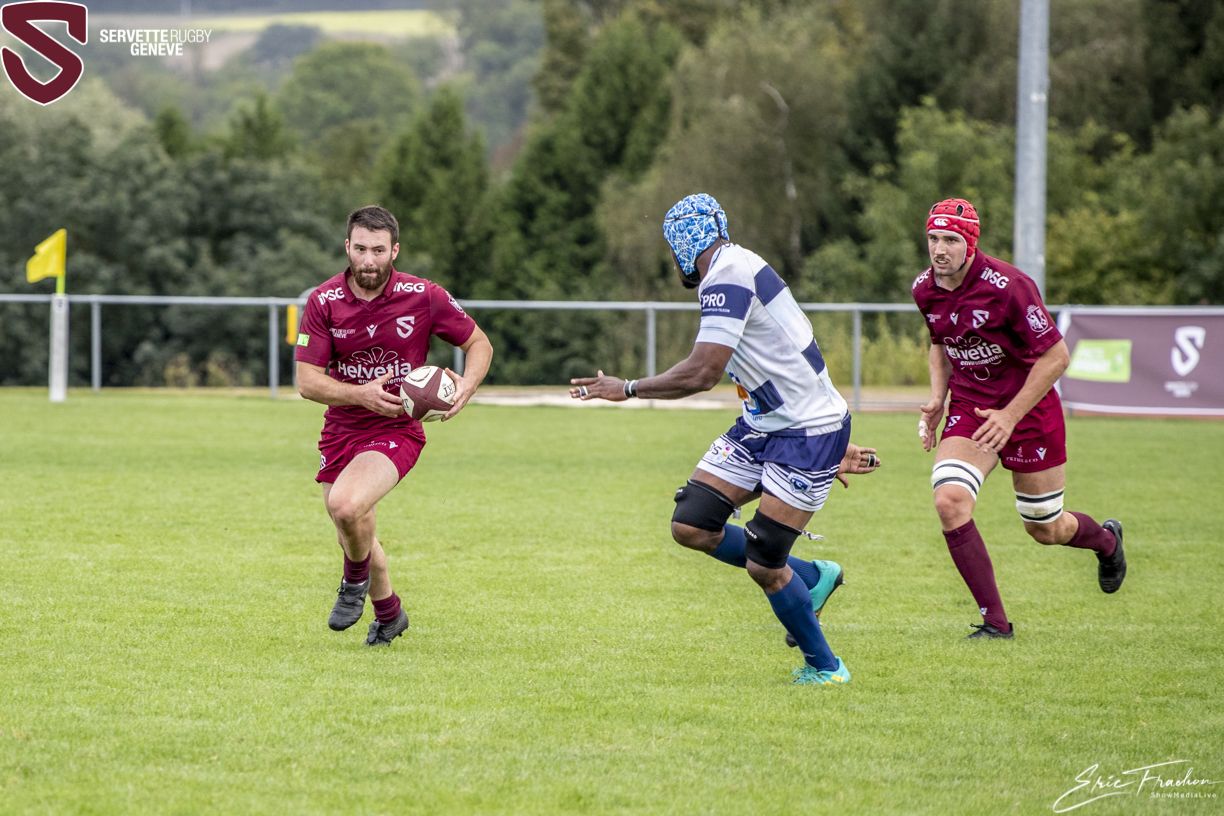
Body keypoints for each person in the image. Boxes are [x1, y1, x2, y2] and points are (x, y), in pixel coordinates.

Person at [570, 193, 881, 686]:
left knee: (764, 562)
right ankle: (813, 577)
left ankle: (826, 667)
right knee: (692, 524)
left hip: (807, 432)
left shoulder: (727, 276)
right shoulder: (732, 267)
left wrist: (626, 388)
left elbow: (702, 373)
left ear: (680, 245)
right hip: (766, 426)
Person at [912, 197, 1126, 640]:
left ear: (970, 244)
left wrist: (1010, 416)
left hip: (1029, 411)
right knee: (949, 500)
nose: (939, 250)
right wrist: (937, 399)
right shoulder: (924, 288)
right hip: (971, 408)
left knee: (1045, 527)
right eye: (933, 238)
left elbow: (1057, 356)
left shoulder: (1009, 286)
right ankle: (996, 623)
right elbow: (939, 344)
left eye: (950, 240)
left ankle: (1106, 542)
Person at [295, 205, 493, 646]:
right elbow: (307, 382)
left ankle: (352, 582)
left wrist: (467, 386)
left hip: (396, 430)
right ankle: (389, 615)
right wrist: (360, 394)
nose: (368, 260)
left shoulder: (423, 295)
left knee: (346, 506)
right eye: (361, 249)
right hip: (341, 428)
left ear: (395, 251)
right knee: (355, 528)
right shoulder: (324, 301)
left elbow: (479, 343)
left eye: (378, 250)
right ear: (347, 247)